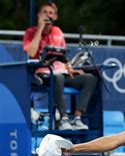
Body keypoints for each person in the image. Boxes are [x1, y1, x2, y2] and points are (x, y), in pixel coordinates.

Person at [23, 2, 97, 131]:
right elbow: (30, 52)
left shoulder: (58, 32)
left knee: (89, 78)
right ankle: (63, 118)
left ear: (55, 17)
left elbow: (63, 55)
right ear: (39, 15)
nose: (48, 15)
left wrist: (70, 68)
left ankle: (77, 118)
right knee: (58, 78)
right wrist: (40, 29)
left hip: (62, 72)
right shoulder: (31, 32)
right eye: (44, 12)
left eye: (50, 13)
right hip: (42, 74)